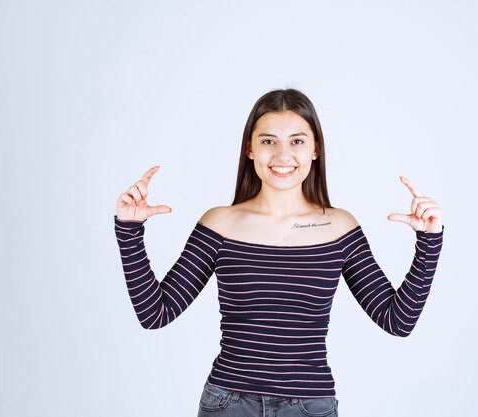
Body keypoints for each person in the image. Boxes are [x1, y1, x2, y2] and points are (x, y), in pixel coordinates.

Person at [113, 88, 444, 417]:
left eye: (297, 141)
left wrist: (429, 240)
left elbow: (397, 320)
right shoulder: (220, 224)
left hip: (309, 406)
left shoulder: (340, 228)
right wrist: (129, 230)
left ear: (315, 150)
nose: (283, 155)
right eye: (268, 141)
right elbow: (155, 314)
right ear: (250, 149)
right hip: (228, 404)